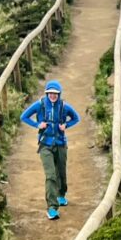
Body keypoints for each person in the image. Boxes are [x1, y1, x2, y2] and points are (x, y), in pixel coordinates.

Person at [20, 80, 81, 219]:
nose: (52, 96)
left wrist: (66, 125)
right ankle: (52, 208)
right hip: (45, 145)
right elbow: (23, 116)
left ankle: (61, 194)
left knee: (61, 172)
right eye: (50, 93)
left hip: (60, 144)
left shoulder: (64, 107)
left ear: (59, 94)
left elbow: (76, 118)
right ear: (46, 93)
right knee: (51, 175)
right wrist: (37, 125)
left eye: (55, 94)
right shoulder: (40, 105)